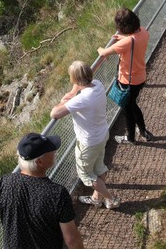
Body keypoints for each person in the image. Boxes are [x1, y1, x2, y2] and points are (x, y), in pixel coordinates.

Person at [50, 61, 120, 210]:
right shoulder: (98, 85)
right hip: (102, 135)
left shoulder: (81, 99)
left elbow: (54, 113)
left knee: (87, 176)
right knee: (99, 167)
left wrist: (64, 100)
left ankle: (111, 199)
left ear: (74, 79)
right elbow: (82, 83)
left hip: (88, 143)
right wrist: (73, 92)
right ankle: (96, 198)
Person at [97, 8, 155, 145]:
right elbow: (133, 40)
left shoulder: (127, 43)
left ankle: (130, 138)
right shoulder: (144, 32)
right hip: (140, 77)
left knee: (128, 110)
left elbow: (103, 52)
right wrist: (124, 38)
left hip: (128, 82)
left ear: (121, 26)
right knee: (133, 105)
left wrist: (99, 49)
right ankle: (143, 132)